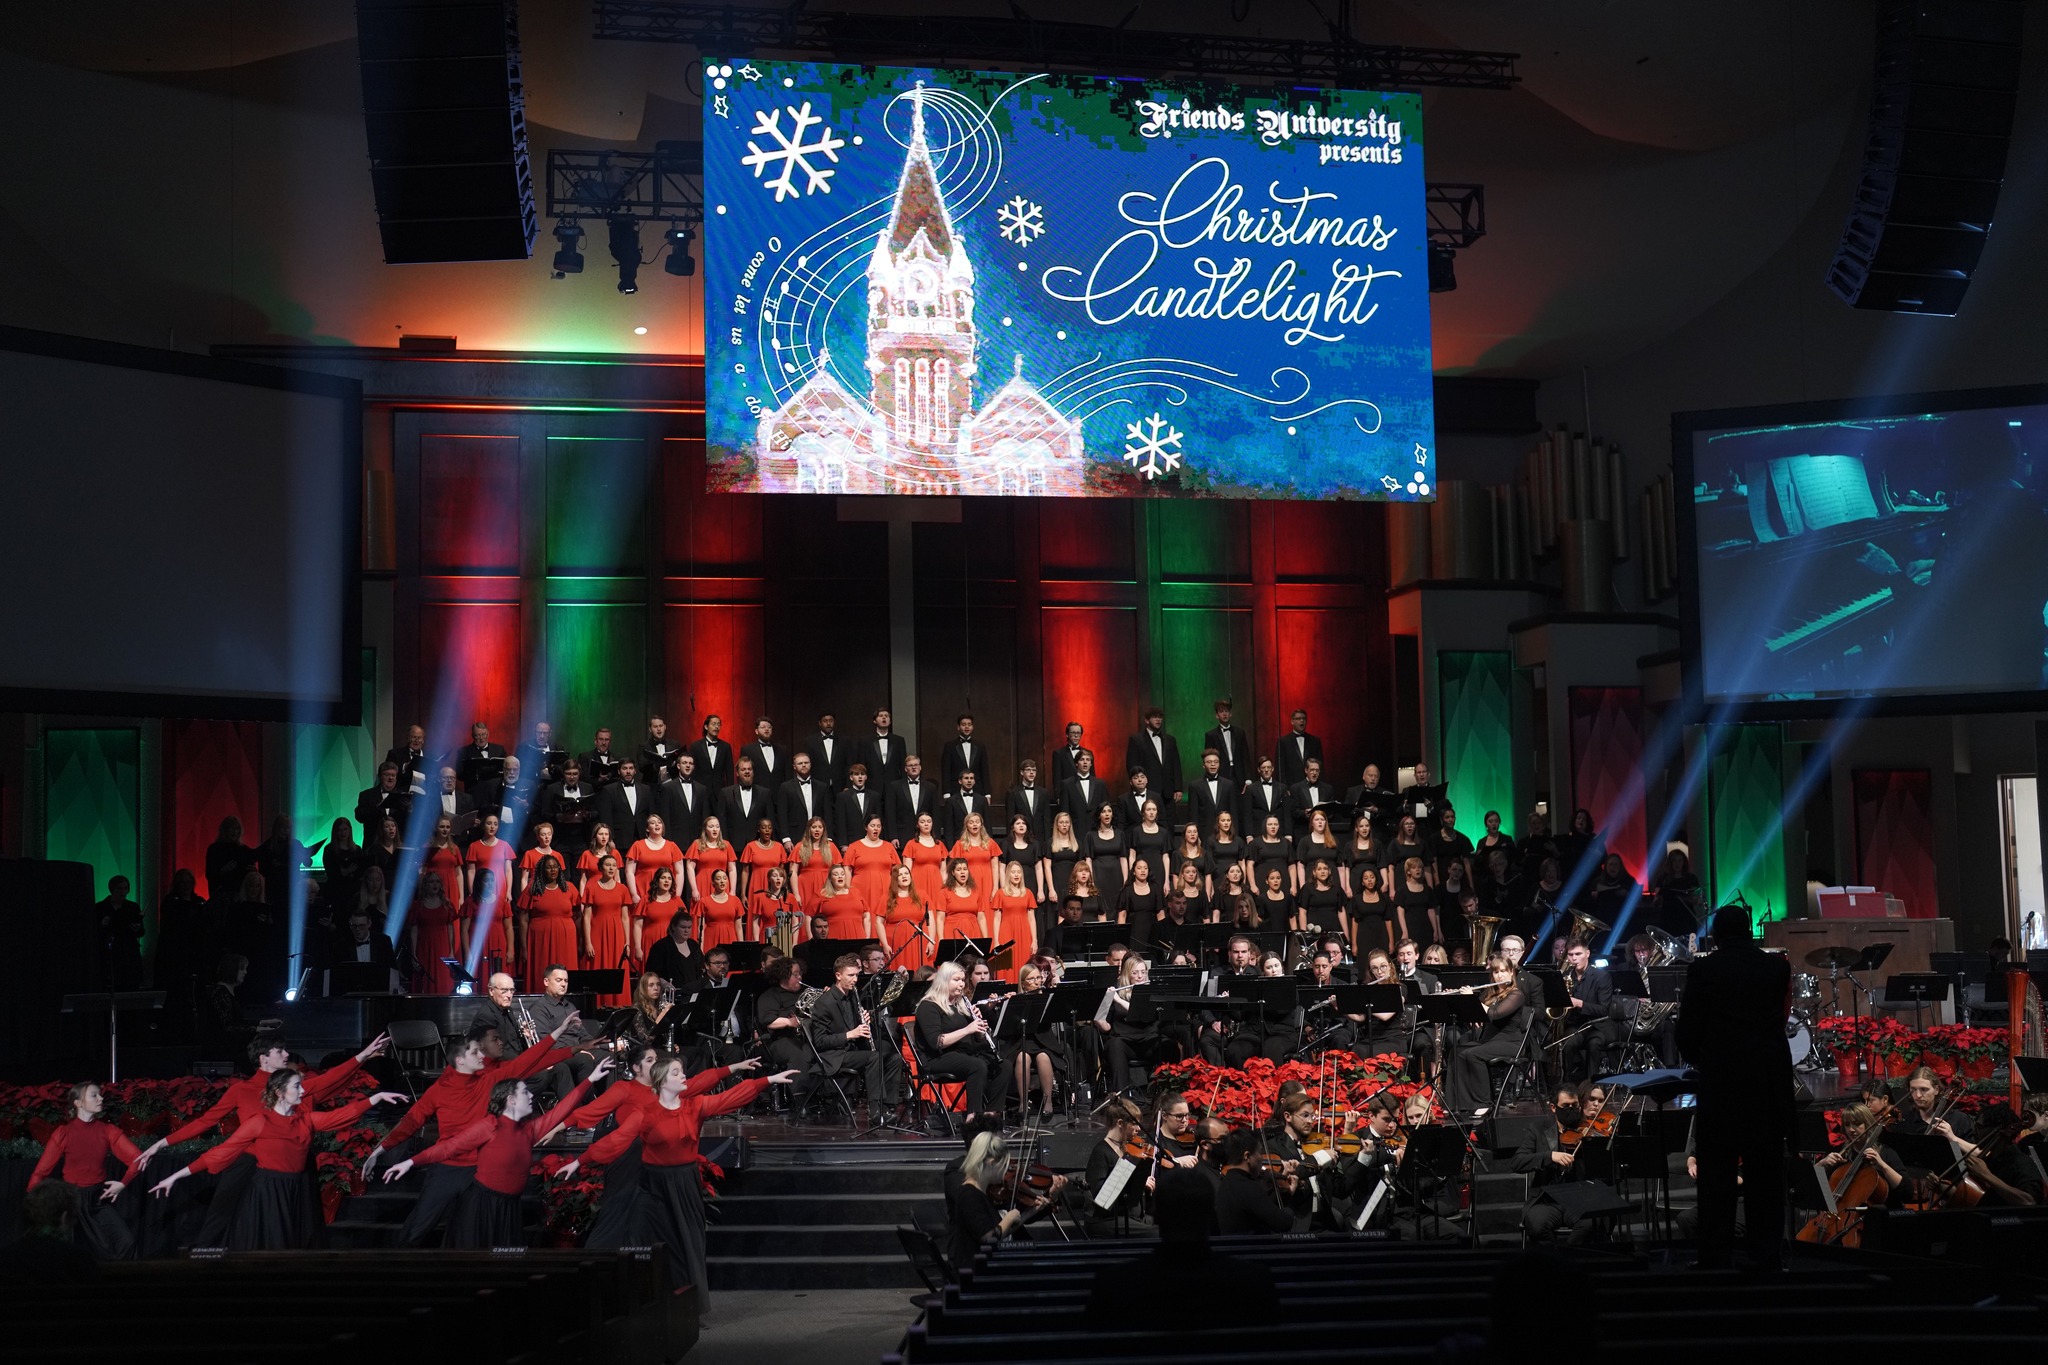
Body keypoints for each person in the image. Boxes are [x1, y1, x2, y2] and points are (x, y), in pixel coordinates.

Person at [555, 1055, 793, 1308]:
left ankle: (689, 1306)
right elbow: (617, 1139)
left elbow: (729, 1098)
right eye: (676, 1072)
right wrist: (579, 1161)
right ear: (662, 1081)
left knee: (687, 1243)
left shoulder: (695, 1106)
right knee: (639, 1238)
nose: (683, 1076)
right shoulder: (645, 1113)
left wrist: (767, 1080)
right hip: (652, 1185)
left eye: (682, 1071)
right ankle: (641, 1301)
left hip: (683, 1183)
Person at [364, 1017, 576, 1245]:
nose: (481, 1055)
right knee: (418, 1227)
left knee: (468, 1232)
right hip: (447, 1168)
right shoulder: (440, 1089)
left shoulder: (489, 1080)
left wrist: (562, 1036)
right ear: (460, 1060)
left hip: (478, 1171)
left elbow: (527, 1061)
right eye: (475, 1052)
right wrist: (379, 1151)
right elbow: (411, 1122)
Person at [148, 1069, 405, 1249]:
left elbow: (338, 1116)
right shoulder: (260, 1122)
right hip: (268, 1191)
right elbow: (221, 1152)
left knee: (294, 1242)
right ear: (280, 1092)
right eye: (297, 1086)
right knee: (273, 1243)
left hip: (296, 1190)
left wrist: (375, 1098)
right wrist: (175, 1177)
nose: (303, 1090)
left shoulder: (306, 1119)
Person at [381, 1057, 616, 1247]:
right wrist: (410, 1162)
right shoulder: (489, 1126)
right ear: (511, 1100)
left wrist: (590, 1080)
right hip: (482, 1208)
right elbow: (448, 1147)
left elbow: (561, 1110)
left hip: (509, 1209)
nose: (532, 1095)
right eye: (525, 1093)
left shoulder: (529, 1130)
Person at [1676, 903, 1794, 1271]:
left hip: (1722, 1084)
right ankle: (1767, 1256)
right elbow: (1778, 1022)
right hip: (1766, 1084)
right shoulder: (1777, 967)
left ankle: (1715, 1258)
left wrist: (1701, 1059)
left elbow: (1688, 1029)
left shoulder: (1704, 968)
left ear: (1717, 935)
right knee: (1766, 1175)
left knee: (1716, 1175)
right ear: (1749, 932)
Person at [28, 1082, 144, 1259]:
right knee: (67, 1251)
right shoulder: (64, 1133)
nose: (101, 1098)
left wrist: (123, 1183)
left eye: (100, 1094)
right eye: (94, 1095)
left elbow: (137, 1158)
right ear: (78, 1103)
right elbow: (40, 1172)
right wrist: (33, 1203)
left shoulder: (108, 1131)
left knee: (126, 1243)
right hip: (71, 1202)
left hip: (97, 1200)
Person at [797, 954, 906, 1120]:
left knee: (894, 1058)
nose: (855, 980)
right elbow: (820, 1042)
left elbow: (853, 1025)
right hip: (835, 1055)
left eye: (857, 975)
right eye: (851, 975)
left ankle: (888, 1107)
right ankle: (876, 1111)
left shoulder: (853, 996)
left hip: (853, 1050)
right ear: (838, 975)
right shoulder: (824, 1003)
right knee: (874, 1058)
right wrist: (851, 1034)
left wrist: (865, 1020)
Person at [915, 962, 1007, 1116]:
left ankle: (990, 1114)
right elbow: (937, 1042)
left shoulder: (962, 1004)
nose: (961, 984)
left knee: (1003, 1066)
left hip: (964, 1053)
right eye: (956, 980)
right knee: (977, 1065)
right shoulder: (928, 1005)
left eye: (963, 980)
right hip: (937, 1058)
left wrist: (979, 1030)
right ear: (944, 980)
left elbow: (974, 1038)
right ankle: (973, 1116)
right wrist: (967, 1029)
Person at [1447, 954, 1530, 1116]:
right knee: (1456, 1052)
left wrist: (1472, 1000)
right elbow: (1474, 1013)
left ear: (1511, 972)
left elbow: (1495, 1014)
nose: (1500, 975)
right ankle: (1459, 1103)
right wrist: (1456, 998)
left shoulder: (1516, 995)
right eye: (1496, 972)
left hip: (1510, 1042)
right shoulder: (1489, 994)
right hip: (1489, 1040)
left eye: (1504, 971)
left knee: (1473, 1054)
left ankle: (1483, 1102)